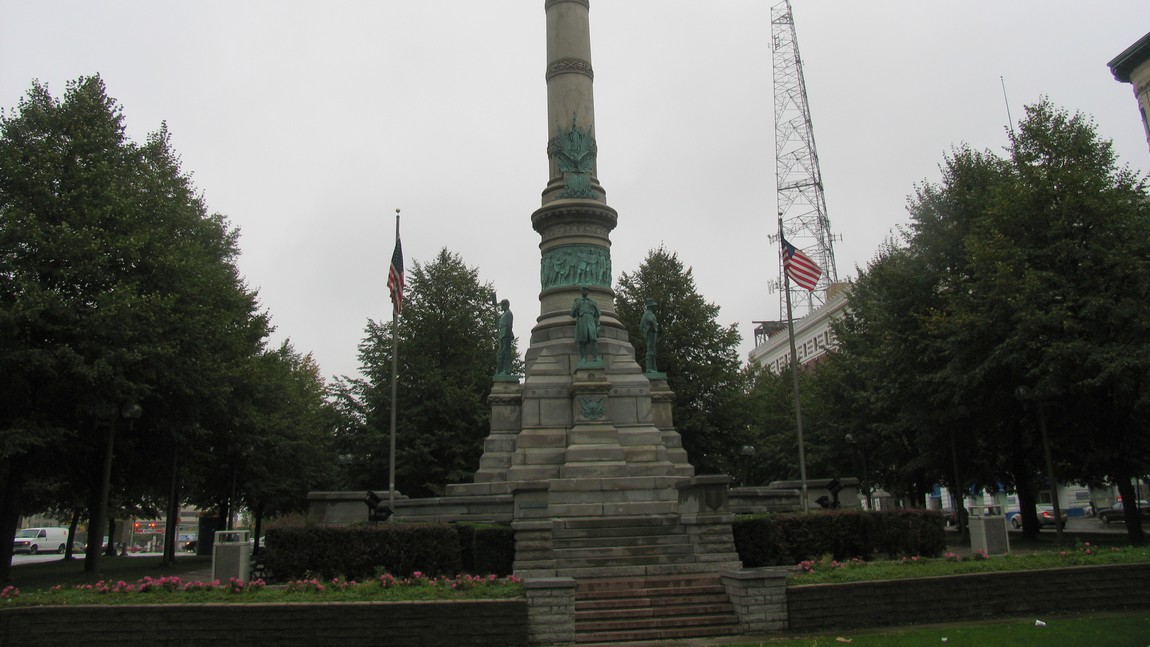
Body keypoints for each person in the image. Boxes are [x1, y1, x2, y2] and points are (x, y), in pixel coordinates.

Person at [570, 286, 601, 362]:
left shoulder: (592, 302)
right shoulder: (578, 302)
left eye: (585, 290)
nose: (584, 292)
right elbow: (572, 314)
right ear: (581, 292)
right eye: (582, 290)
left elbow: (597, 315)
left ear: (588, 292)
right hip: (581, 320)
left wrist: (598, 325)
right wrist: (575, 307)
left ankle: (595, 357)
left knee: (593, 339)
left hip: (591, 320)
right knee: (581, 341)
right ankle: (583, 358)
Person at [640, 298, 660, 372]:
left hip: (649, 333)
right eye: (654, 306)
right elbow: (650, 320)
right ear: (651, 306)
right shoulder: (649, 313)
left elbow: (641, 327)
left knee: (652, 350)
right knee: (651, 350)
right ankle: (649, 368)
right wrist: (653, 328)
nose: (655, 307)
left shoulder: (646, 313)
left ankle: (653, 367)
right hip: (650, 333)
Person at [496, 299, 514, 375]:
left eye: (502, 305)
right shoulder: (504, 314)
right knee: (500, 353)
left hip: (506, 335)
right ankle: (501, 369)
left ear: (506, 305)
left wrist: (506, 335)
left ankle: (506, 370)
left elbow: (509, 325)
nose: (501, 307)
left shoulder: (508, 313)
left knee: (506, 353)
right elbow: (499, 324)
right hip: (502, 335)